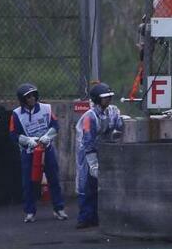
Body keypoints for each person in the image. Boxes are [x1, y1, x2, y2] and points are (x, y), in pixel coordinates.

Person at [9, 83, 67, 223]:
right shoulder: (16, 114)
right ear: (22, 99)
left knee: (53, 178)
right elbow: (13, 134)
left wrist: (48, 136)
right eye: (28, 97)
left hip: (47, 149)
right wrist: (27, 140)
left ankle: (59, 209)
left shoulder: (46, 109)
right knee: (28, 182)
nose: (32, 98)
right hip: (29, 152)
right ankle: (29, 212)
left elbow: (55, 125)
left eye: (33, 95)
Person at [75, 82, 124, 229]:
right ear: (97, 99)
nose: (108, 100)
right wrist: (93, 162)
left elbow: (119, 126)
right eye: (105, 97)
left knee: (99, 185)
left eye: (109, 97)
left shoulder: (113, 111)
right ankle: (84, 217)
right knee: (86, 184)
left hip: (103, 149)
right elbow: (87, 140)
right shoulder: (89, 117)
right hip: (87, 152)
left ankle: (96, 217)